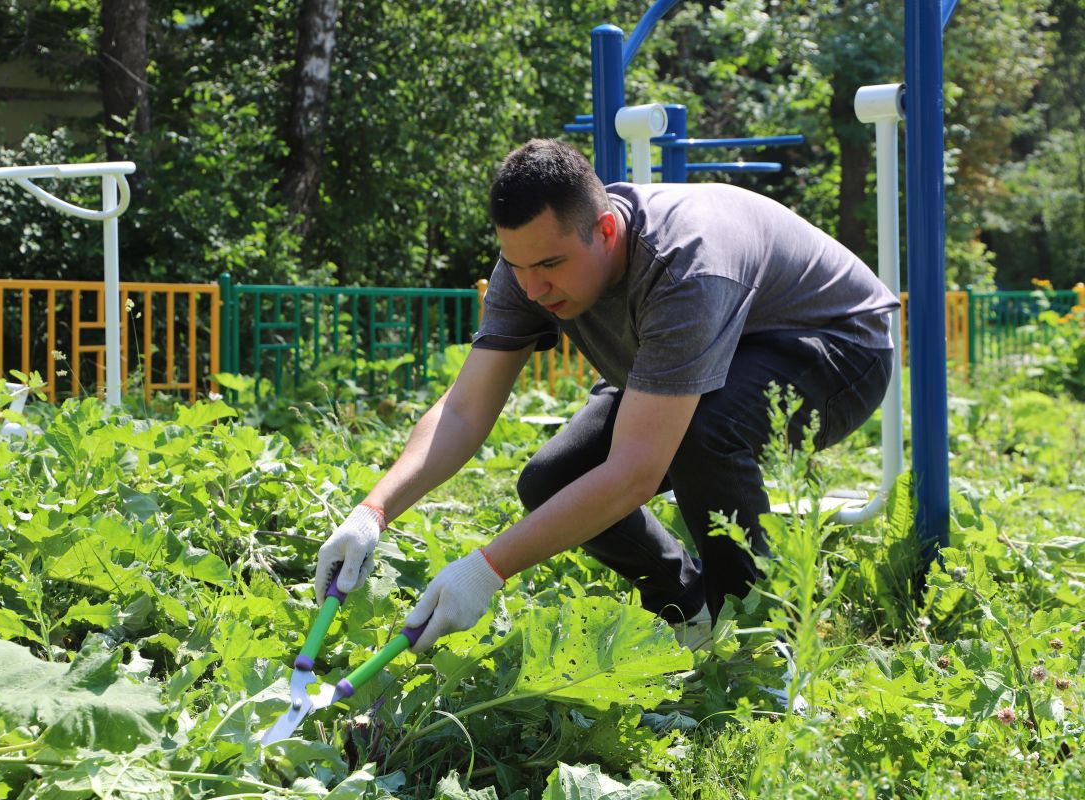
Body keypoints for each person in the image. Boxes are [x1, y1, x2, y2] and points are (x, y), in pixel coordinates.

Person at [314, 138, 898, 654]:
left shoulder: (683, 269)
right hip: (723, 355)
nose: (535, 288)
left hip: (838, 347)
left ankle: (759, 638)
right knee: (551, 481)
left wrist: (486, 570)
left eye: (550, 265)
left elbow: (634, 473)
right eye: (518, 266)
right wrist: (373, 511)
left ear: (607, 230)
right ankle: (689, 609)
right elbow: (465, 410)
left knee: (701, 436)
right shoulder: (530, 262)